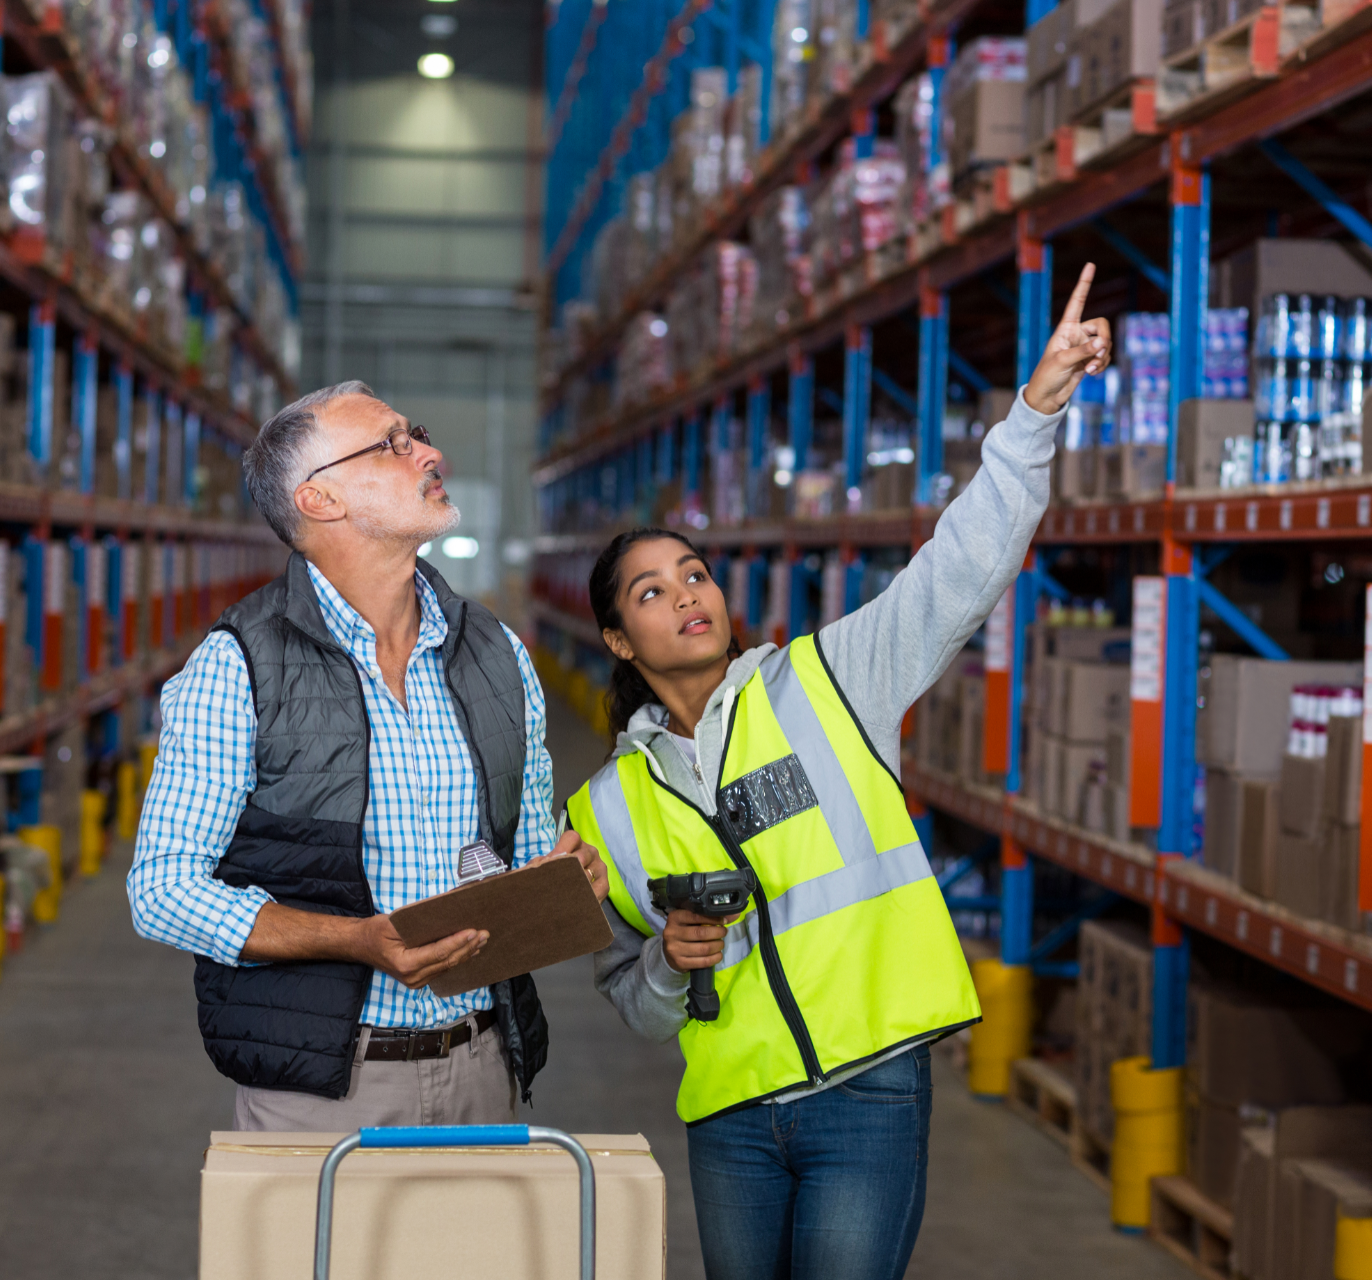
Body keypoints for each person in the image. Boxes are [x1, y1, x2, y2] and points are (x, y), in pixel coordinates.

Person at [565, 265, 1111, 1279]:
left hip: (868, 1094)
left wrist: (1034, 411)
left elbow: (961, 567)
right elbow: (628, 998)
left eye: (694, 572)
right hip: (730, 1115)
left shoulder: (828, 680)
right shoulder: (606, 806)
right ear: (617, 638)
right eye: (651, 590)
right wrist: (667, 964)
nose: (686, 593)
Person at [127, 381, 608, 1131]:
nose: (428, 451)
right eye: (392, 443)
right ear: (319, 500)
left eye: (413, 433)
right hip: (322, 1086)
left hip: (485, 1067)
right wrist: (354, 941)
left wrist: (560, 879)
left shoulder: (498, 653)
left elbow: (516, 855)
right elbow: (162, 890)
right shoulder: (238, 666)